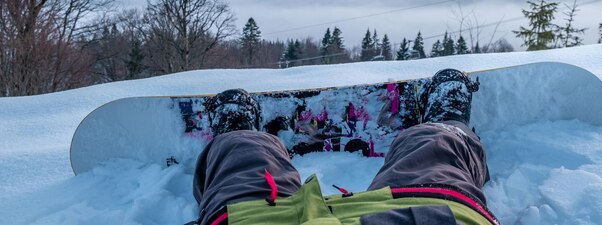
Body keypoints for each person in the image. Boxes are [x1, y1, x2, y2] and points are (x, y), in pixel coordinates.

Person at [189, 69, 499, 225]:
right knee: (436, 150)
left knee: (241, 158)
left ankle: (238, 134)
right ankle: (446, 124)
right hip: (420, 216)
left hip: (261, 220)